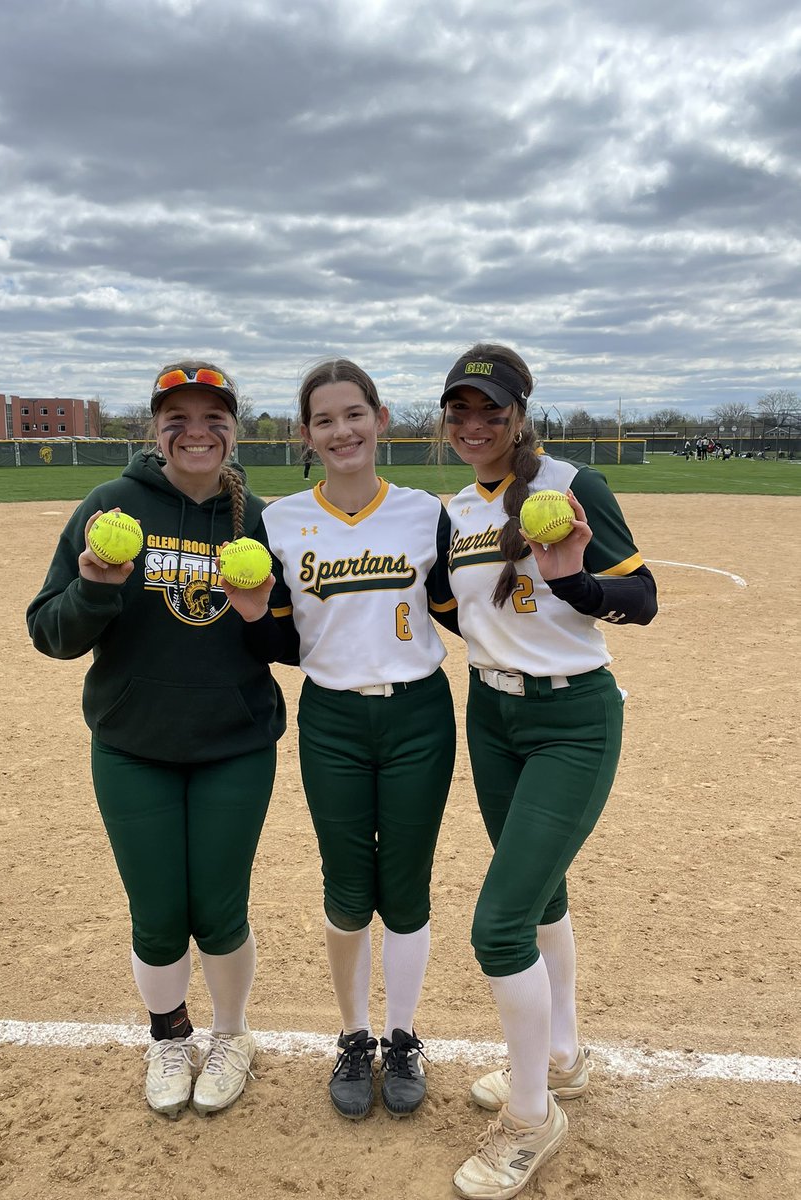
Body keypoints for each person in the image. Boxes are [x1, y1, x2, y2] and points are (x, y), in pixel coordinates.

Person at [26, 361, 286, 1120]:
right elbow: (50, 632)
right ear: (155, 427)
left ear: (234, 429)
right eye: (178, 416)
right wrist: (96, 590)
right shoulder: (111, 506)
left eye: (214, 416)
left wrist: (259, 616)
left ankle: (232, 1035)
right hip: (133, 744)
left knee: (220, 909)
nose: (196, 430)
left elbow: (294, 640)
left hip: (234, 743)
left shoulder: (260, 520)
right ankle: (168, 1035)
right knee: (158, 913)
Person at [437, 344, 657, 1200]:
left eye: (490, 409)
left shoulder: (570, 486)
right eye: (460, 411)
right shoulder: (458, 505)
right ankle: (561, 1060)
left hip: (572, 721)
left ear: (521, 413)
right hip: (492, 716)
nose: (474, 425)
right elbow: (453, 607)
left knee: (498, 927)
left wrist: (573, 588)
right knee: (543, 898)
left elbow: (642, 599)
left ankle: (533, 1116)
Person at [228, 358, 457, 1121]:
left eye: (353, 414)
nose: (341, 431)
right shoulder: (281, 520)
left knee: (407, 884)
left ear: (381, 418)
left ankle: (403, 1036)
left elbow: (465, 613)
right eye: (323, 420)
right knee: (348, 886)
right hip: (330, 719)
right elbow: (287, 641)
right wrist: (256, 617)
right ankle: (354, 1036)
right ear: (305, 434)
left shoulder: (426, 512)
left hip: (420, 713)